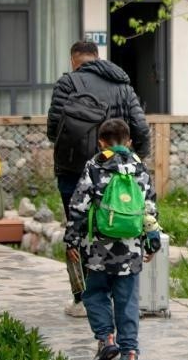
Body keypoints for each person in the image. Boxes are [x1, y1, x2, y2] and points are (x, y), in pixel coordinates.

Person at [47, 40, 151, 317]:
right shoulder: (122, 85)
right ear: (97, 57)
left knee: (77, 234)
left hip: (73, 172)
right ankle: (119, 297)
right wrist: (136, 161)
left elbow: (53, 128)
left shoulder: (67, 83)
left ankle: (82, 299)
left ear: (74, 61)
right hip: (119, 174)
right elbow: (141, 128)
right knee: (118, 226)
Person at [64, 118, 160, 360]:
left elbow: (79, 205)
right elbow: (149, 207)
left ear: (101, 143)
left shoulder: (95, 165)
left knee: (94, 294)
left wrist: (72, 239)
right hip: (131, 250)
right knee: (127, 301)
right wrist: (152, 240)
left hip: (97, 249)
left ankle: (106, 339)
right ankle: (130, 353)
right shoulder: (139, 167)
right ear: (129, 142)